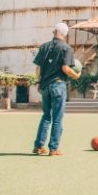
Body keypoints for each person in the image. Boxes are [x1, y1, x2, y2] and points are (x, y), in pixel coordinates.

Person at [32, 22, 80, 156]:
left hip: (45, 86)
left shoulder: (44, 46)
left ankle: (39, 146)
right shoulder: (66, 48)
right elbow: (65, 68)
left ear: (54, 32)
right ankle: (53, 148)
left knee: (46, 116)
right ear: (65, 35)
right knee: (57, 118)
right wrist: (76, 75)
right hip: (58, 85)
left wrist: (39, 82)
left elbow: (38, 68)